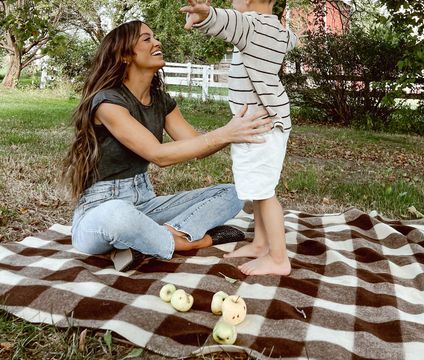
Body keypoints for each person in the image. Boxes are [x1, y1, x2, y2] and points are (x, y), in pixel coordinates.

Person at [62, 20, 271, 271]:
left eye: (155, 37)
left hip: (146, 204)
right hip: (99, 211)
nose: (157, 42)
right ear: (126, 55)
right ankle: (189, 243)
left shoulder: (160, 101)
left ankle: (153, 239)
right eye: (146, 39)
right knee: (117, 214)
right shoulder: (107, 102)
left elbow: (196, 145)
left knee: (232, 193)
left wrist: (235, 130)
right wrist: (224, 133)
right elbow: (158, 155)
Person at [181, 0, 297, 276]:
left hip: (260, 125)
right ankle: (260, 243)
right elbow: (292, 41)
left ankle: (278, 258)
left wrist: (206, 14)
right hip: (268, 122)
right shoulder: (279, 29)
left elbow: (228, 21)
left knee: (265, 193)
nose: (233, 5)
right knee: (259, 187)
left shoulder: (251, 26)